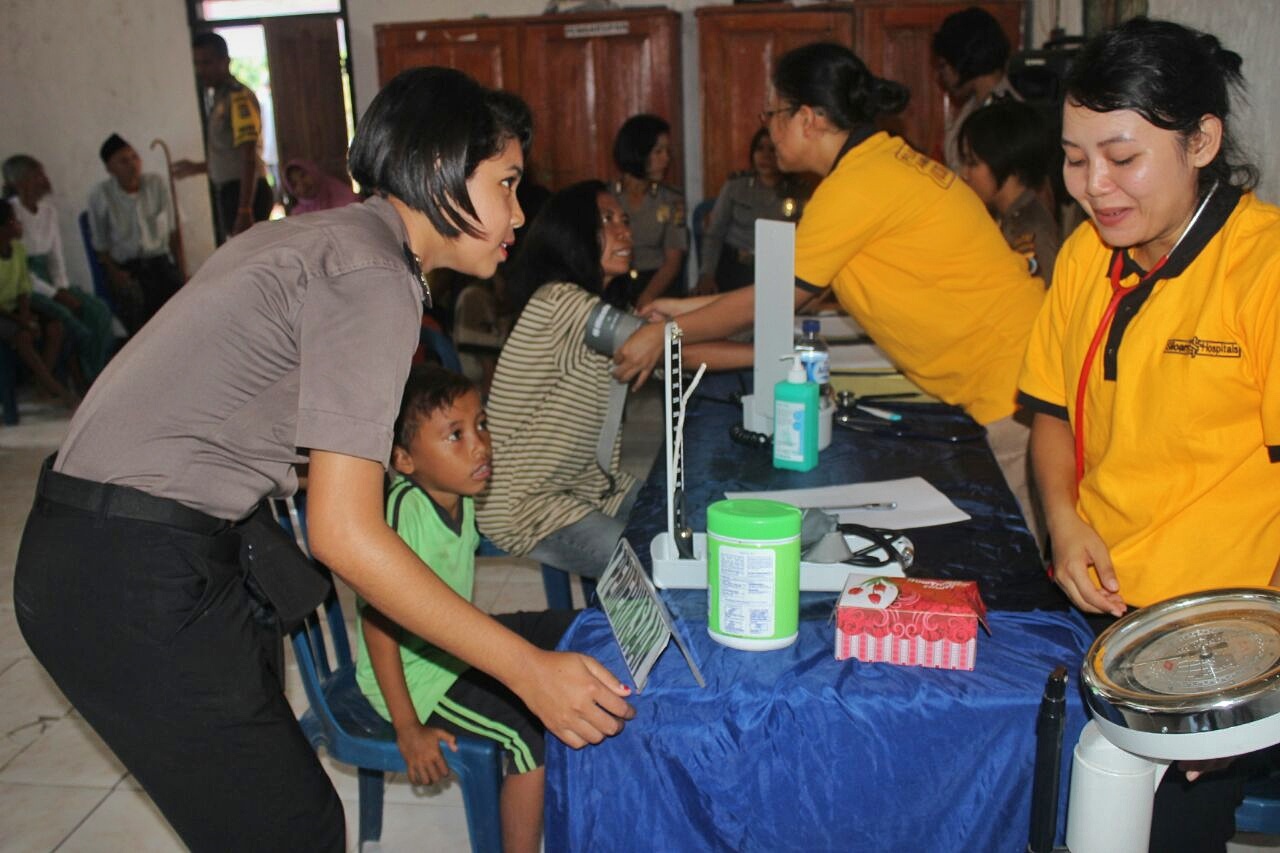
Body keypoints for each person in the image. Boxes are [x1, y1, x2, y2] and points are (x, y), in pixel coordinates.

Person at [13, 68, 633, 853]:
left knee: (266, 820)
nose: (518, 211)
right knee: (293, 828)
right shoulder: (377, 275)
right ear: (441, 166)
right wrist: (527, 668)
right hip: (129, 569)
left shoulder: (324, 239)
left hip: (107, 548)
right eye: (507, 183)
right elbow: (344, 532)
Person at [1017, 18, 1280, 852]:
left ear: (1201, 140)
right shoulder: (1086, 258)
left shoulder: (1263, 271)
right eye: (1074, 157)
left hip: (1218, 641)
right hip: (1104, 618)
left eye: (1122, 157)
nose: (1094, 186)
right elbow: (1052, 411)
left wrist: (1246, 683)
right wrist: (1065, 521)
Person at [618, 42, 1046, 546]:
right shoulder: (877, 165)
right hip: (1012, 368)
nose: (768, 128)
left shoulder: (857, 186)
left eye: (773, 114)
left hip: (1013, 383)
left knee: (1031, 554)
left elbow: (778, 299)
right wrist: (682, 308)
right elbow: (791, 286)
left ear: (808, 118)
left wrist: (666, 335)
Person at [358, 364, 574, 853]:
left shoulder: (460, 493)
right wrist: (407, 726)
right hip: (418, 677)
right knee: (529, 737)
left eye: (481, 424)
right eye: (454, 435)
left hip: (453, 641)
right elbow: (377, 625)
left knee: (576, 631)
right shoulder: (402, 514)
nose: (479, 444)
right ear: (405, 460)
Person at [477, 180, 642, 577]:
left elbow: (661, 336)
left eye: (624, 219)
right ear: (574, 235)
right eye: (606, 220)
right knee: (645, 566)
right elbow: (672, 345)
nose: (624, 231)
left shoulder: (593, 306)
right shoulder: (561, 302)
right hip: (527, 504)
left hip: (588, 484)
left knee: (680, 516)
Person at [4, 154, 118, 380]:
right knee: (68, 317)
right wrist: (54, 294)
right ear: (20, 182)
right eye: (37, 175)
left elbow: (56, 256)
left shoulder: (48, 211)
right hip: (25, 285)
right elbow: (19, 268)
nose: (44, 180)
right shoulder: (10, 214)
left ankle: (97, 374)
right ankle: (73, 377)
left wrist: (62, 287)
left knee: (98, 310)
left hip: (48, 278)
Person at [172, 31, 274, 244]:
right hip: (232, 191)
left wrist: (245, 209)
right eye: (197, 63)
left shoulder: (238, 98)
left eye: (207, 63)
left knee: (247, 260)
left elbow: (248, 155)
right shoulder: (219, 97)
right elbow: (229, 154)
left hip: (245, 192)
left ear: (225, 61)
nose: (201, 70)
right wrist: (197, 167)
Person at [87, 134, 184, 334]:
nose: (132, 165)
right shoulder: (101, 195)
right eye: (123, 161)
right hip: (128, 270)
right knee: (140, 316)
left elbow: (174, 232)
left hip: (160, 262)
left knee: (184, 306)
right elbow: (100, 246)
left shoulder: (156, 184)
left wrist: (181, 268)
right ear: (110, 169)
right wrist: (115, 275)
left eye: (134, 157)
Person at [956, 99, 1061, 283]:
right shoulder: (1008, 218)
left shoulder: (1029, 230)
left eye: (973, 163)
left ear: (1005, 163)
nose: (964, 174)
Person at [696, 127, 809, 295]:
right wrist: (706, 274)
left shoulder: (798, 191)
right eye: (759, 149)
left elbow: (805, 238)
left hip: (777, 270)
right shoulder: (736, 185)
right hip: (735, 268)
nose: (765, 156)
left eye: (772, 149)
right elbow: (715, 233)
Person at [0, 199, 79, 408]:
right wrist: (23, 322)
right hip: (3, 314)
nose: (19, 225)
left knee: (55, 328)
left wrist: (26, 315)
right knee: (23, 336)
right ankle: (57, 390)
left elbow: (24, 287)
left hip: (15, 309)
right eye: (13, 222)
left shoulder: (17, 249)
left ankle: (41, 386)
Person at [610, 114, 688, 308]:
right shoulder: (607, 198)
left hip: (660, 284)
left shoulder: (672, 200)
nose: (666, 159)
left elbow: (673, 262)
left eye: (667, 151)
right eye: (658, 151)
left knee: (674, 334)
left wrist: (646, 298)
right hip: (615, 283)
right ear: (639, 152)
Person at [932, 6, 1020, 171]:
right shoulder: (975, 105)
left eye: (943, 65)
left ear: (960, 60)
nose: (941, 75)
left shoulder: (1006, 114)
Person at [283, 158, 360, 216]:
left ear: (312, 171)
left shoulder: (346, 198)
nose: (302, 184)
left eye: (303, 175)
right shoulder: (297, 216)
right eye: (295, 184)